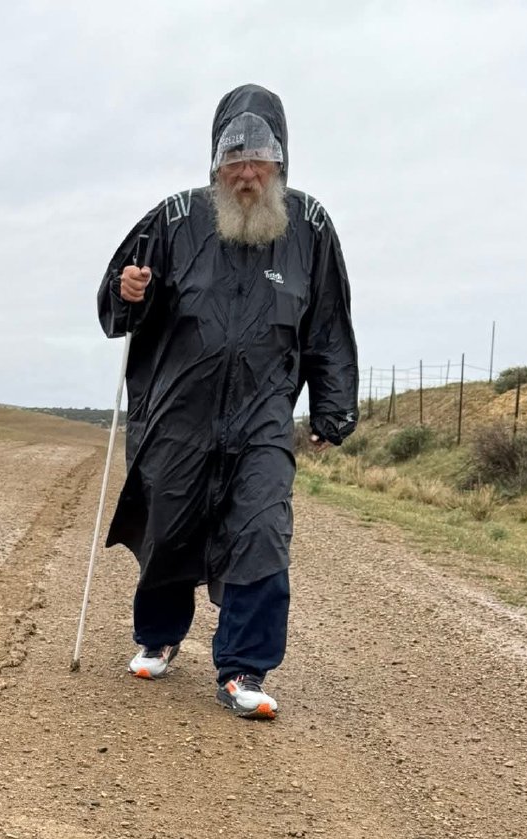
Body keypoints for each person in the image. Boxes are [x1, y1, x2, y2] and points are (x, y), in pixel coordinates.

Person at [97, 83, 358, 718]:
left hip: (264, 409)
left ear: (281, 162)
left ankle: (244, 667)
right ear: (215, 163)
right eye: (233, 159)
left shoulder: (311, 228)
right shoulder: (175, 218)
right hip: (178, 407)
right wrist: (129, 291)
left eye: (258, 159)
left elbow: (328, 321)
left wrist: (332, 406)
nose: (246, 173)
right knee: (169, 520)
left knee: (263, 527)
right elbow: (115, 305)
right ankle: (158, 635)